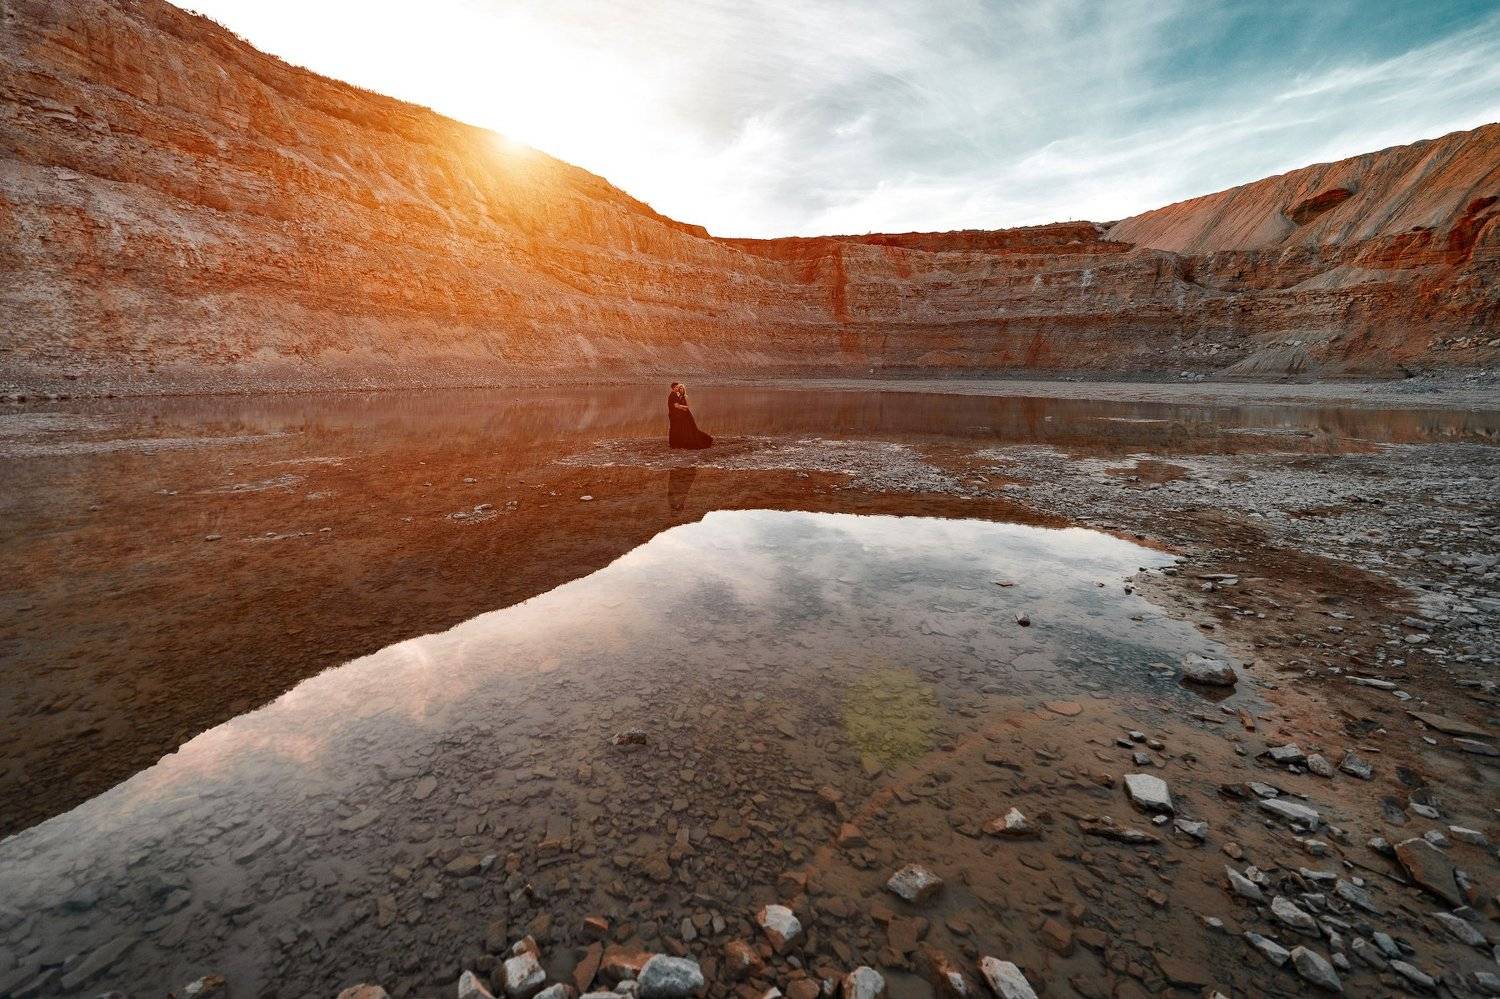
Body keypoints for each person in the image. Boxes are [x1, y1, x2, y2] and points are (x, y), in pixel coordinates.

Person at [667, 382, 713, 449]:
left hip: (678, 415)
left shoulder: (677, 395)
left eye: (678, 387)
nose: (678, 389)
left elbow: (679, 405)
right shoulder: (673, 395)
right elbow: (676, 406)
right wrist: (685, 407)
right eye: (676, 387)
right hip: (674, 416)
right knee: (675, 429)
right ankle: (675, 444)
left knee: (679, 429)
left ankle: (676, 444)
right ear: (673, 388)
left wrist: (684, 407)